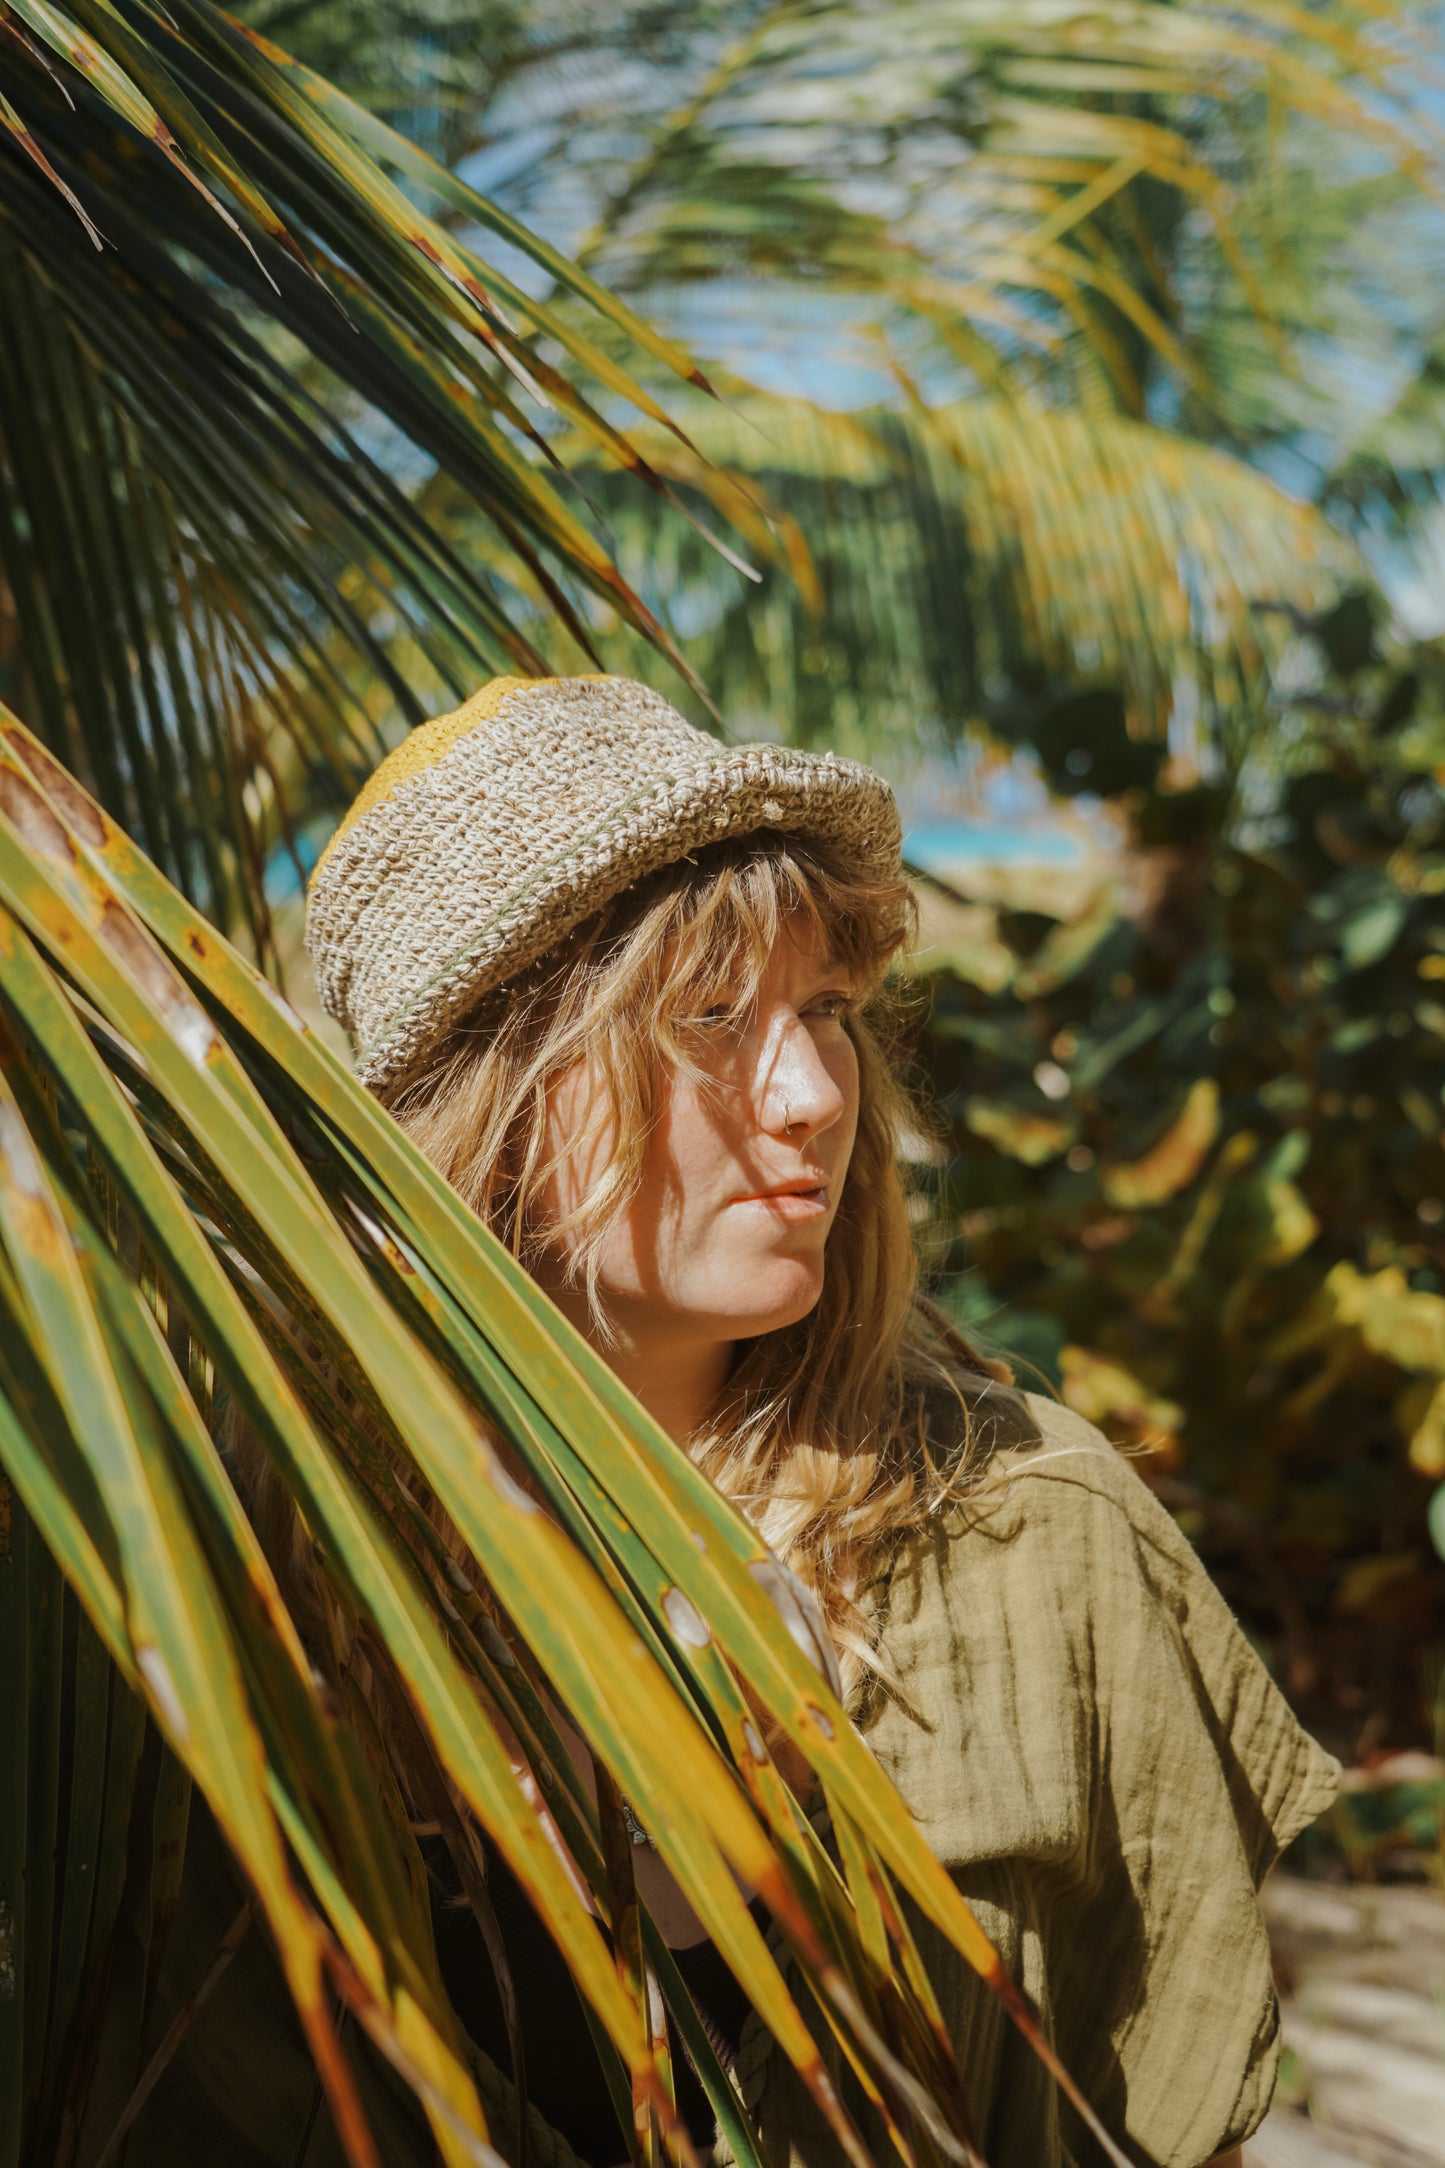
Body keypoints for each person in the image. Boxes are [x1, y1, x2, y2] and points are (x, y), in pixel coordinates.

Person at [298, 673, 1339, 2168]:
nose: (808, 1094)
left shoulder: (1029, 1520)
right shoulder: (272, 1554)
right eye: (706, 1016)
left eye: (827, 1011)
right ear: (489, 1094)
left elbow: (1174, 2121)